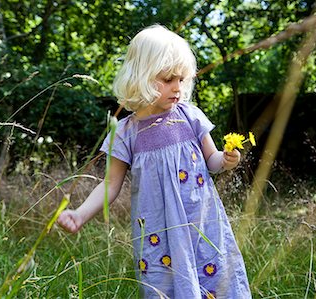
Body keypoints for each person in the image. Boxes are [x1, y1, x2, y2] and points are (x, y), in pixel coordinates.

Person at [58, 24, 252, 299]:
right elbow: (110, 185)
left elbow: (212, 160)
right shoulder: (127, 132)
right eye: (168, 79)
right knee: (165, 289)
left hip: (202, 225)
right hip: (157, 234)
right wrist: (79, 214)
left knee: (217, 283)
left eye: (182, 79)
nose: (177, 87)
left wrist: (227, 159)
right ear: (142, 77)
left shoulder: (190, 116)